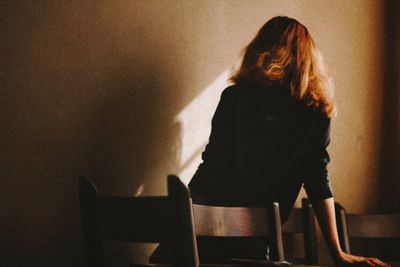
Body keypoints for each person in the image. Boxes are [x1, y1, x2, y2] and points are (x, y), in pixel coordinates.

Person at [188, 16, 388, 267]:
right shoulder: (315, 113)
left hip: (209, 232)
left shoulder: (235, 98)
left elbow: (212, 166)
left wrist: (182, 220)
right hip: (259, 242)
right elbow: (317, 182)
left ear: (260, 51)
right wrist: (338, 253)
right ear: (307, 59)